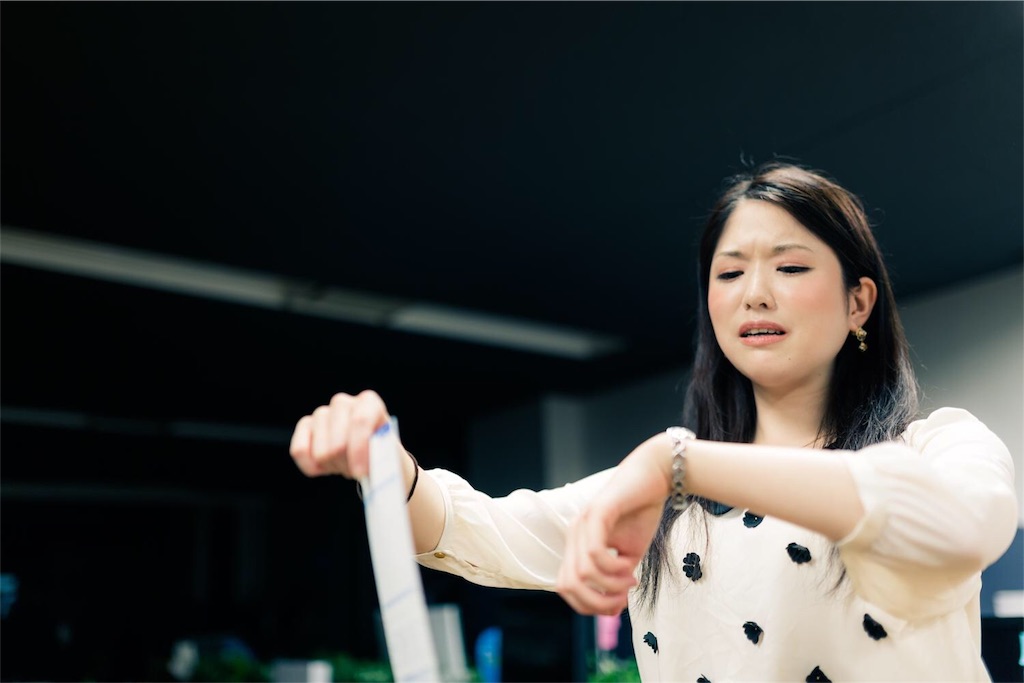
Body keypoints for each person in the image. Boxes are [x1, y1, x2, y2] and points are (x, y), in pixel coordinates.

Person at [289, 162, 1018, 682]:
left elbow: (958, 524)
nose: (755, 294)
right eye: (729, 273)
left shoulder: (938, 445)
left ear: (859, 302)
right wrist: (381, 459)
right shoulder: (658, 499)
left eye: (791, 267)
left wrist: (677, 463)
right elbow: (469, 531)